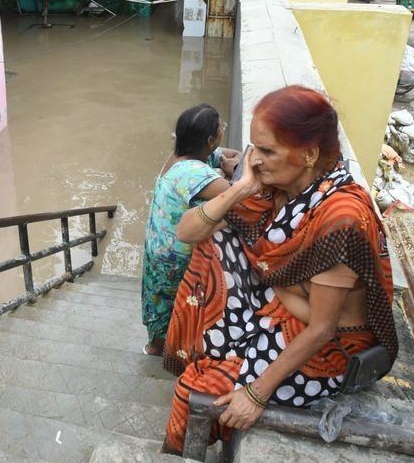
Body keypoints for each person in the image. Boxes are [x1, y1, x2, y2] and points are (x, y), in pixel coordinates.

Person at [160, 86, 398, 453]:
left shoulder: (340, 217)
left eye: (267, 151)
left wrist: (256, 394)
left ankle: (177, 451)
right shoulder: (275, 189)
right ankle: (220, 351)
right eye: (253, 148)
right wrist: (239, 190)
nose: (254, 160)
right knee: (213, 239)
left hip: (328, 348)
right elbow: (187, 231)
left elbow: (322, 329)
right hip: (286, 306)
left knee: (195, 392)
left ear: (308, 154)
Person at [141, 105, 241, 356]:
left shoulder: (182, 155)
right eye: (221, 129)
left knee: (159, 299)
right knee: (178, 301)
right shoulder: (193, 172)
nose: (223, 133)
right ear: (209, 140)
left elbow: (229, 154)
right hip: (175, 255)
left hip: (158, 244)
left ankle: (155, 347)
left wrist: (228, 161)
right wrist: (231, 172)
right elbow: (238, 196)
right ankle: (170, 350)